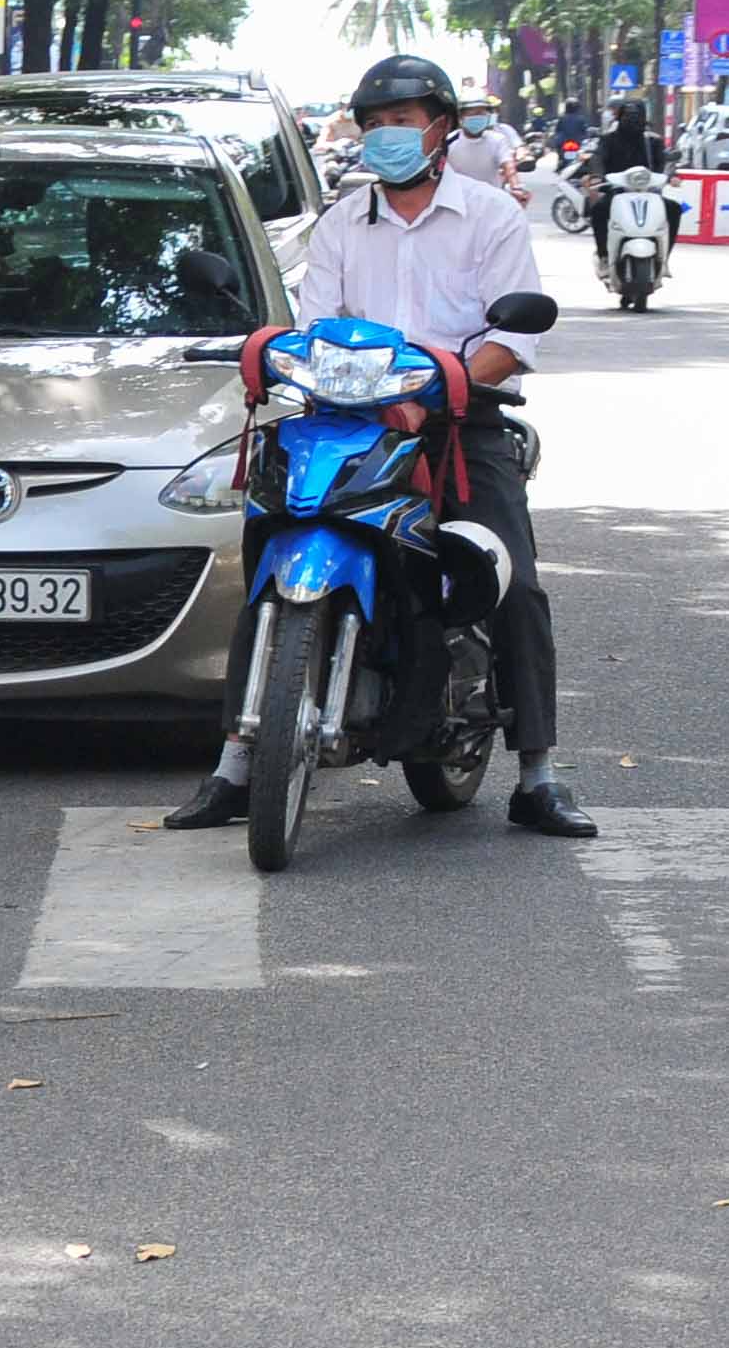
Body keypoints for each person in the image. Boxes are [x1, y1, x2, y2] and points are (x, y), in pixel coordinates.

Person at [161, 54, 590, 841]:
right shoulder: (339, 225)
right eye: (374, 125)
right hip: (348, 423)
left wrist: (436, 388)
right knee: (264, 553)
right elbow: (315, 325)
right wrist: (277, 353)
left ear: (441, 126)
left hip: (461, 424)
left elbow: (510, 339)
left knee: (516, 583)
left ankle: (538, 772)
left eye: (400, 121)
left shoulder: (490, 215)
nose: (386, 137)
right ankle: (232, 765)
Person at [583, 94, 672, 281]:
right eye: (627, 115)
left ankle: (664, 258)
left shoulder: (653, 141)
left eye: (636, 115)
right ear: (619, 116)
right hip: (616, 192)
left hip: (648, 193)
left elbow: (663, 164)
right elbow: (597, 159)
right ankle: (604, 256)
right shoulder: (608, 139)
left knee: (674, 209)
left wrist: (671, 176)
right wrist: (598, 177)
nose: (632, 120)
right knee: (599, 210)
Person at [445, 92, 521, 197]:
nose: (477, 117)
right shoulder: (448, 142)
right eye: (472, 113)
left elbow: (509, 166)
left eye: (481, 113)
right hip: (458, 199)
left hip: (492, 200)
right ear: (461, 116)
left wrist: (516, 187)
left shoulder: (497, 140)